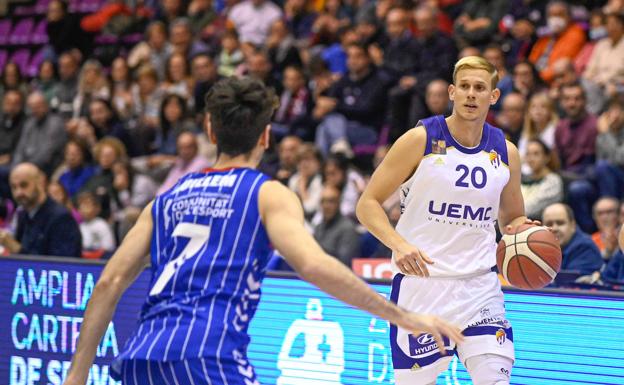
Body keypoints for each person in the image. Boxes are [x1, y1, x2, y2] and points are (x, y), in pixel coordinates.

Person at [61, 77, 462, 385]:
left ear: (210, 130)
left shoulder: (165, 200)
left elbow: (109, 282)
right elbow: (316, 266)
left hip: (139, 359)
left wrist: (76, 377)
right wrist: (405, 317)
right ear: (267, 135)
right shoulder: (267, 194)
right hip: (209, 356)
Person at [357, 56, 533, 384]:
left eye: (480, 88)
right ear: (451, 92)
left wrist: (528, 234)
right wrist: (399, 244)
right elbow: (367, 204)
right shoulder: (419, 140)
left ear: (493, 96)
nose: (470, 94)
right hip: (423, 286)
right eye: (464, 87)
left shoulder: (506, 153)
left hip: (480, 286)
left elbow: (512, 217)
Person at [0, 163, 81, 258]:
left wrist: (16, 249)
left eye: (24, 185)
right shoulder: (23, 215)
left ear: (40, 182)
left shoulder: (61, 218)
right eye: (14, 187)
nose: (19, 192)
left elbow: (61, 266)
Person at [542, 203, 604, 275]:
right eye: (549, 224)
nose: (555, 228)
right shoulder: (538, 245)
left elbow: (566, 282)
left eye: (560, 223)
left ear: (573, 225)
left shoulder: (585, 248)